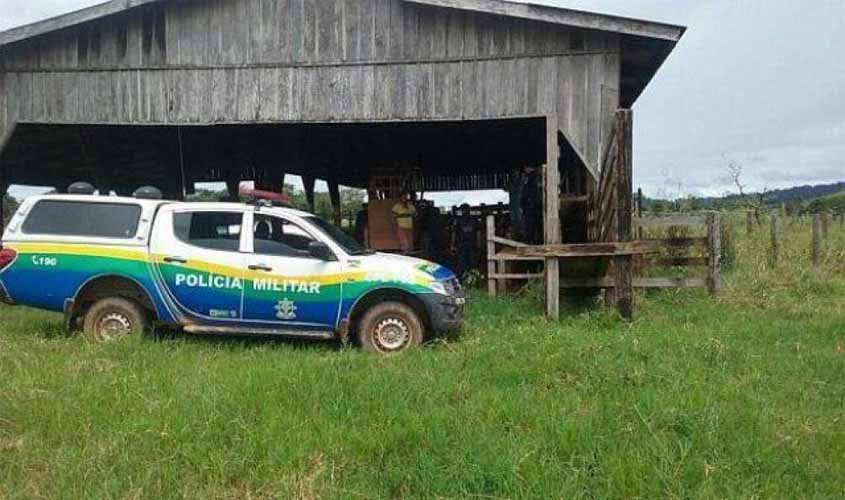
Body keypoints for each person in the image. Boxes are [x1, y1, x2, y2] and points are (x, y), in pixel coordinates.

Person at [454, 203, 479, 277]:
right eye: (463, 210)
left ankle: (469, 277)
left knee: (469, 261)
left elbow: (478, 232)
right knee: (465, 262)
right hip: (464, 244)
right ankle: (467, 277)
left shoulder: (472, 220)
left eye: (464, 209)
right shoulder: (459, 220)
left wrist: (478, 243)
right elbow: (455, 233)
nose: (464, 211)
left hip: (468, 244)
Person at [521, 164, 543, 244]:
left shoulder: (531, 178)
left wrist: (523, 204)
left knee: (531, 227)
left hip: (531, 206)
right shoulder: (533, 178)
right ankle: (536, 241)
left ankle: (532, 242)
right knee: (536, 226)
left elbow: (526, 193)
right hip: (534, 206)